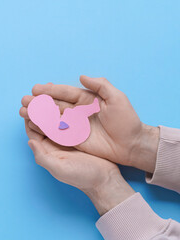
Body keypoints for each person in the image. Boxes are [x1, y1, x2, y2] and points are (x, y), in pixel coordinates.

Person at [19, 76, 180, 240]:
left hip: (76, 126)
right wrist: (140, 143)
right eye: (51, 108)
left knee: (76, 112)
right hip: (75, 126)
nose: (55, 108)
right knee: (75, 112)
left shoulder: (61, 122)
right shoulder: (56, 127)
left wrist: (103, 186)